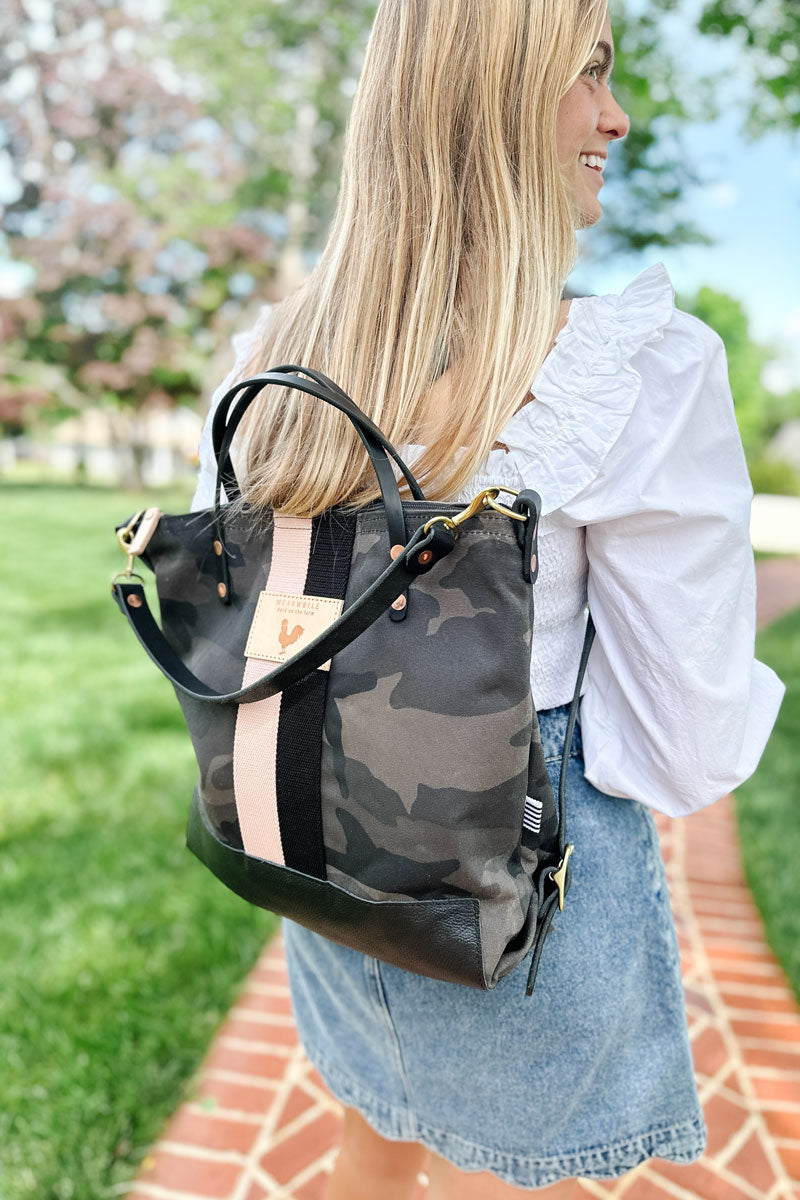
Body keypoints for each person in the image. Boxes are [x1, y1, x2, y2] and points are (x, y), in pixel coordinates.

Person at [191, 1, 785, 1194]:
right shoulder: (627, 372)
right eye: (586, 76)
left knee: (372, 1133)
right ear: (492, 105)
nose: (613, 117)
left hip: (317, 848)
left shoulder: (267, 365)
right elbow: (679, 746)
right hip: (510, 893)